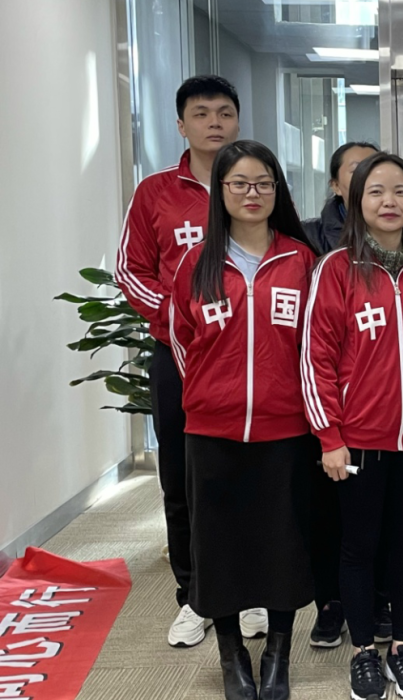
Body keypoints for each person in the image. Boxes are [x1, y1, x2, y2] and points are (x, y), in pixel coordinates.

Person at [115, 75, 269, 647]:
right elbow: (131, 270)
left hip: (250, 359)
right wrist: (182, 320)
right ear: (181, 125)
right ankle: (194, 595)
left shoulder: (253, 185)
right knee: (183, 480)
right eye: (201, 113)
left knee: (253, 475)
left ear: (237, 120)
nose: (214, 123)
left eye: (224, 112)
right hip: (179, 359)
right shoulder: (156, 192)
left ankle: (252, 590)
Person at [169, 140, 319, 700]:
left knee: (283, 540)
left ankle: (278, 652)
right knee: (219, 545)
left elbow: (318, 345)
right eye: (239, 183)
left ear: (277, 190)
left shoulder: (301, 260)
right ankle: (231, 653)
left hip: (286, 429)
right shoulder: (197, 262)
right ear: (221, 191)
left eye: (263, 183)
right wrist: (212, 397)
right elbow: (182, 340)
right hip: (213, 431)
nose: (252, 193)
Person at [303, 152, 403, 700]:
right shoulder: (335, 268)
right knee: (359, 544)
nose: (389, 202)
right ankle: (364, 650)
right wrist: (330, 436)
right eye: (375, 192)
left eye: (400, 191)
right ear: (354, 201)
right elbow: (316, 358)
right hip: (358, 439)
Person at [300, 139, 383, 652]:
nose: (367, 179)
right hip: (328, 403)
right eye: (356, 170)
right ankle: (331, 603)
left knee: (384, 521)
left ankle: (379, 603)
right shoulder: (311, 240)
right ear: (335, 184)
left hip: (386, 414)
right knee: (331, 515)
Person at [302, 141, 379, 255]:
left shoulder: (402, 229)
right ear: (336, 186)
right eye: (356, 171)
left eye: (376, 170)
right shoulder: (307, 235)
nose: (369, 177)